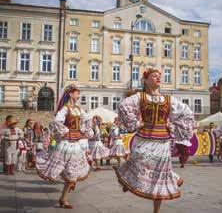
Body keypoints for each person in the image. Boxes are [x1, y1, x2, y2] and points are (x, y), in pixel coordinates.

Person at [113, 69, 194, 213]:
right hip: (143, 139)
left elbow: (187, 114)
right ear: (146, 80)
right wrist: (136, 123)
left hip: (162, 141)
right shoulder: (140, 97)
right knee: (139, 160)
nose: (158, 78)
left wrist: (173, 126)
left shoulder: (169, 99)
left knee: (160, 177)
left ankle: (156, 211)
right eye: (154, 76)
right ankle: (129, 179)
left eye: (159, 76)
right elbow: (123, 106)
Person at [36, 85, 93, 209]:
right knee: (61, 168)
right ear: (71, 94)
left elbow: (88, 120)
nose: (78, 95)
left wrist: (84, 131)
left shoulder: (79, 109)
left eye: (78, 93)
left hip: (76, 143)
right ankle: (63, 195)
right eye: (77, 93)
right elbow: (57, 121)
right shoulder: (65, 109)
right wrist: (65, 131)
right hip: (66, 143)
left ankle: (63, 198)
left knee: (73, 173)